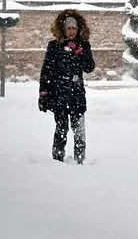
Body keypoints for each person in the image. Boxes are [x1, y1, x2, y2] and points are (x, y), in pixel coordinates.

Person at [38, 9, 96, 164]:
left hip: (76, 93)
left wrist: (81, 53)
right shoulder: (55, 46)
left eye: (74, 28)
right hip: (60, 94)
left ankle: (80, 159)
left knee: (79, 130)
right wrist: (43, 93)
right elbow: (46, 71)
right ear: (63, 29)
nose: (71, 31)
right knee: (61, 128)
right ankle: (57, 159)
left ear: (78, 29)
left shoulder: (84, 45)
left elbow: (89, 67)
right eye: (69, 28)